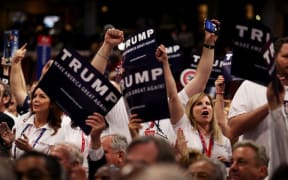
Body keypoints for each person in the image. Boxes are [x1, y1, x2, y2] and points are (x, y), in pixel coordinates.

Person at [156, 42, 232, 163]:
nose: (205, 107)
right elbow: (173, 97)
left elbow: (202, 77)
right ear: (190, 110)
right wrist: (165, 63)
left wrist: (228, 162)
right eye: (199, 104)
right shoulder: (183, 126)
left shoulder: (224, 140)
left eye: (208, 104)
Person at [0, 86, 65, 159]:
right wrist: (9, 145)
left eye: (42, 97)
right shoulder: (22, 120)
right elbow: (11, 157)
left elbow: (52, 165)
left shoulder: (59, 130)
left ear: (52, 103)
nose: (36, 100)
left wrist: (30, 150)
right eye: (34, 96)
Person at [265, 36, 288, 175]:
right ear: (273, 57)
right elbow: (232, 130)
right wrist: (272, 104)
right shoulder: (251, 86)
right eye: (286, 56)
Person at [86, 112, 128, 180]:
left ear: (120, 156)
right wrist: (95, 137)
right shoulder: (98, 175)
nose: (99, 157)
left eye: (103, 152)